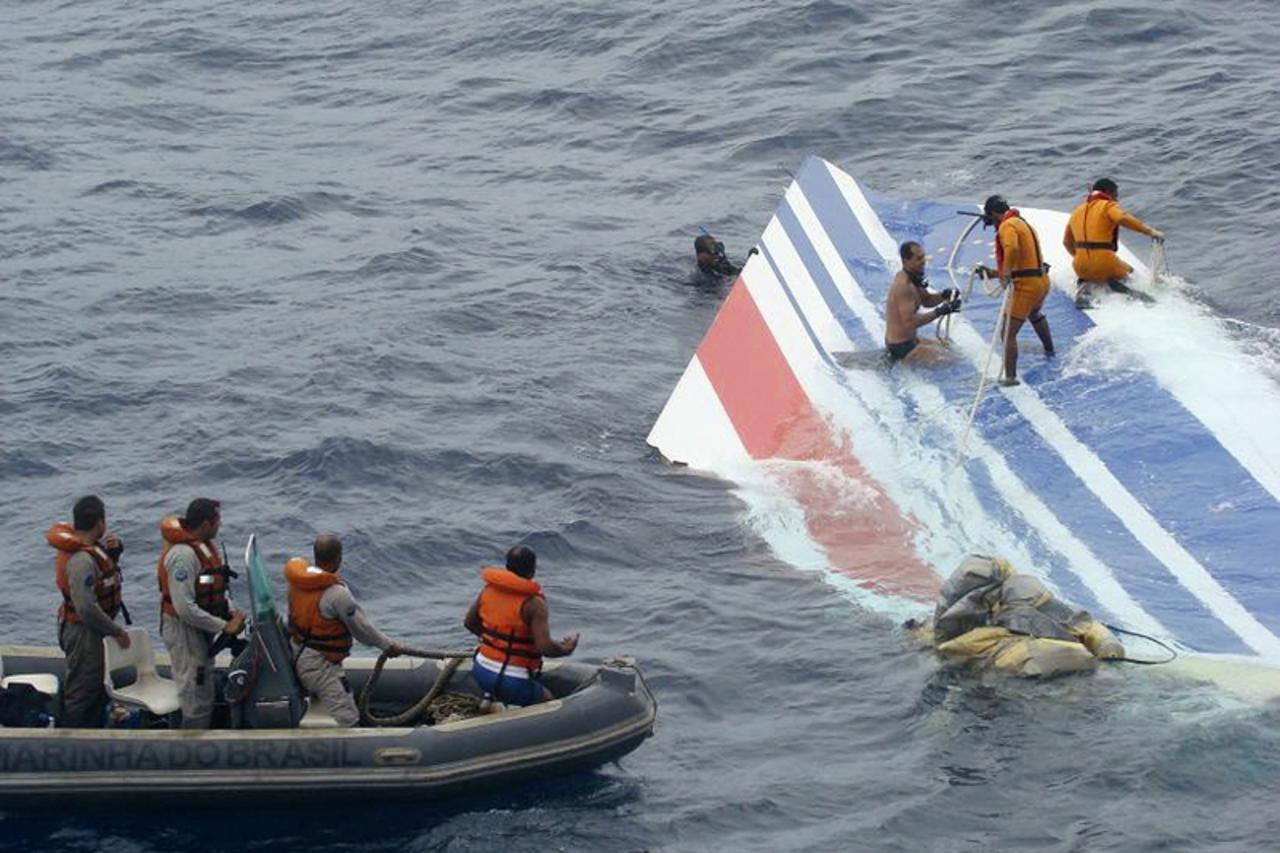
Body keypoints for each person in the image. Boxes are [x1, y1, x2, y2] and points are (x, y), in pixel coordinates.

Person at [284, 533, 406, 727]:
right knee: (348, 717)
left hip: (299, 654)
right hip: (320, 667)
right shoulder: (337, 594)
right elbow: (362, 630)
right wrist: (388, 646)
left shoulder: (297, 585)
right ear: (339, 558)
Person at [156, 498, 245, 729]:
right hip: (183, 629)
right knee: (194, 689)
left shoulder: (204, 550)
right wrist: (223, 626)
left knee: (202, 683)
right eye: (217, 520)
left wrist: (228, 613)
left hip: (201, 628)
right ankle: (190, 745)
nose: (219, 525)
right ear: (206, 523)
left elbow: (207, 585)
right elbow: (184, 608)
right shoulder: (184, 556)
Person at [47, 495, 131, 727]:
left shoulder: (93, 550)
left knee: (96, 685)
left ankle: (95, 727)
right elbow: (86, 608)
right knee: (82, 690)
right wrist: (116, 631)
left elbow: (102, 579)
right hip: (83, 632)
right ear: (99, 523)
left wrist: (113, 556)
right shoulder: (81, 560)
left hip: (93, 629)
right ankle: (74, 739)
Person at [463, 545, 578, 706]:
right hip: (512, 680)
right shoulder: (534, 604)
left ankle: (493, 701)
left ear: (507, 566)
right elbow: (545, 647)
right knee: (548, 703)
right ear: (532, 570)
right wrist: (566, 649)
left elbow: (469, 623)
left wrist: (496, 643)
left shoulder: (488, 590)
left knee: (505, 688)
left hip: (480, 670)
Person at [974, 195, 1056, 386]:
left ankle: (1010, 378)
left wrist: (1006, 274)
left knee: (1007, 333)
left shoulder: (1007, 226)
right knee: (1034, 314)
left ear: (994, 214)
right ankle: (1050, 350)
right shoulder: (1021, 222)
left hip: (1027, 287)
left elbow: (1011, 248)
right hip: (1041, 282)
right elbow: (1024, 263)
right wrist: (994, 273)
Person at [1063, 178, 1165, 308]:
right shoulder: (1107, 205)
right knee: (1131, 272)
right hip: (1105, 263)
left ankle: (1085, 288)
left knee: (1091, 275)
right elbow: (1121, 217)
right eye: (1116, 196)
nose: (1116, 200)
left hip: (1079, 266)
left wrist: (1081, 257)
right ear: (1108, 192)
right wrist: (1150, 231)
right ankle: (1119, 286)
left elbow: (1066, 242)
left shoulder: (1077, 211)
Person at [884, 241, 962, 363]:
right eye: (918, 259)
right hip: (902, 347)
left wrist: (944, 295)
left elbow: (927, 300)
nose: (923, 261)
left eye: (923, 257)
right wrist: (940, 311)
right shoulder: (904, 286)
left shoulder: (914, 277)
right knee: (952, 360)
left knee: (948, 345)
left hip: (911, 340)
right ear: (905, 261)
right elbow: (909, 322)